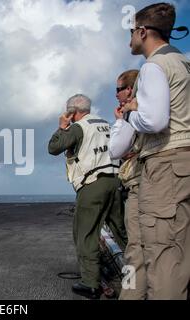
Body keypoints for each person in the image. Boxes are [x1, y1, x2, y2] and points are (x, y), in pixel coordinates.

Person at [123, 2, 190, 299]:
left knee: (159, 253)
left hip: (164, 163)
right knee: (179, 252)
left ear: (143, 31)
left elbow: (155, 121)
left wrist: (131, 112)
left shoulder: (153, 66)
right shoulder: (182, 61)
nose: (130, 39)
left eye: (132, 32)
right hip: (182, 163)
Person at [48, 94, 127, 299]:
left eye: (69, 112)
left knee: (85, 234)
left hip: (93, 185)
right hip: (115, 181)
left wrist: (61, 126)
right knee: (122, 232)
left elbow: (54, 148)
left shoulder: (79, 127)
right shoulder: (106, 124)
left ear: (72, 112)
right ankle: (137, 275)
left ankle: (91, 283)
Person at [109, 70, 147, 300]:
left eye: (118, 89)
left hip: (141, 185)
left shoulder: (133, 112)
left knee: (135, 250)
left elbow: (115, 150)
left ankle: (130, 294)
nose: (116, 95)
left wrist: (120, 121)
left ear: (130, 89)